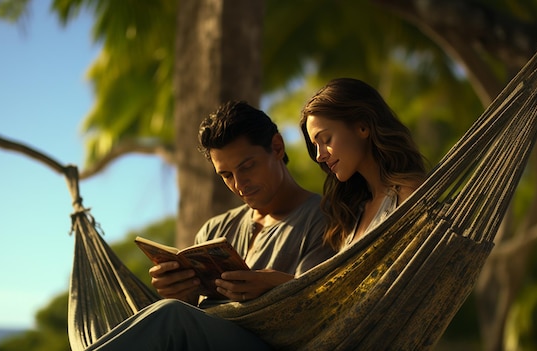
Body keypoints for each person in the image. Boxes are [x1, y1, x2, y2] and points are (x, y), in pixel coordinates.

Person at [84, 100, 336, 350]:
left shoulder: (327, 218)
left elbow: (322, 305)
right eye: (226, 175)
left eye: (247, 166)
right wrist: (183, 295)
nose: (239, 184)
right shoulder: (215, 229)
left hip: (274, 344)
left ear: (277, 147)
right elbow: (196, 315)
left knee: (170, 316)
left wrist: (277, 284)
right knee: (169, 313)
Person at [300, 77, 428, 251]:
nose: (319, 156)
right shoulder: (352, 214)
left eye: (326, 139)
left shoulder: (408, 196)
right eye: (316, 146)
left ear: (363, 127)